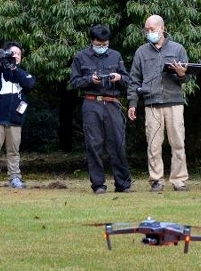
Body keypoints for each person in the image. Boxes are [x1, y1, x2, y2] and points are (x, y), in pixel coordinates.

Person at [127, 14, 190, 192]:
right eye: (146, 30)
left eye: (152, 29)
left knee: (178, 143)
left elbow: (186, 79)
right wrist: (132, 103)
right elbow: (134, 80)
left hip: (174, 101)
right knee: (153, 144)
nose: (149, 33)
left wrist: (180, 73)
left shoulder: (178, 49)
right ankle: (156, 180)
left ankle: (179, 180)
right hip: (151, 103)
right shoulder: (141, 52)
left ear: (162, 28)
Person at [69, 24, 131, 194]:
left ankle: (123, 184)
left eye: (105, 44)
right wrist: (90, 79)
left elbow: (128, 80)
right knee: (94, 144)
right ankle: (98, 184)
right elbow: (74, 82)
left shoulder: (115, 56)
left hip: (112, 103)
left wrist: (119, 77)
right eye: (99, 44)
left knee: (117, 143)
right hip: (91, 103)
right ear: (92, 41)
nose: (102, 47)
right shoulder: (81, 57)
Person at [0, 41, 35, 189]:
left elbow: (29, 83)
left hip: (15, 120)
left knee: (14, 151)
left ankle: (14, 177)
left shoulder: (21, 73)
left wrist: (13, 68)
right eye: (13, 53)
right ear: (6, 54)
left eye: (19, 54)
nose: (16, 56)